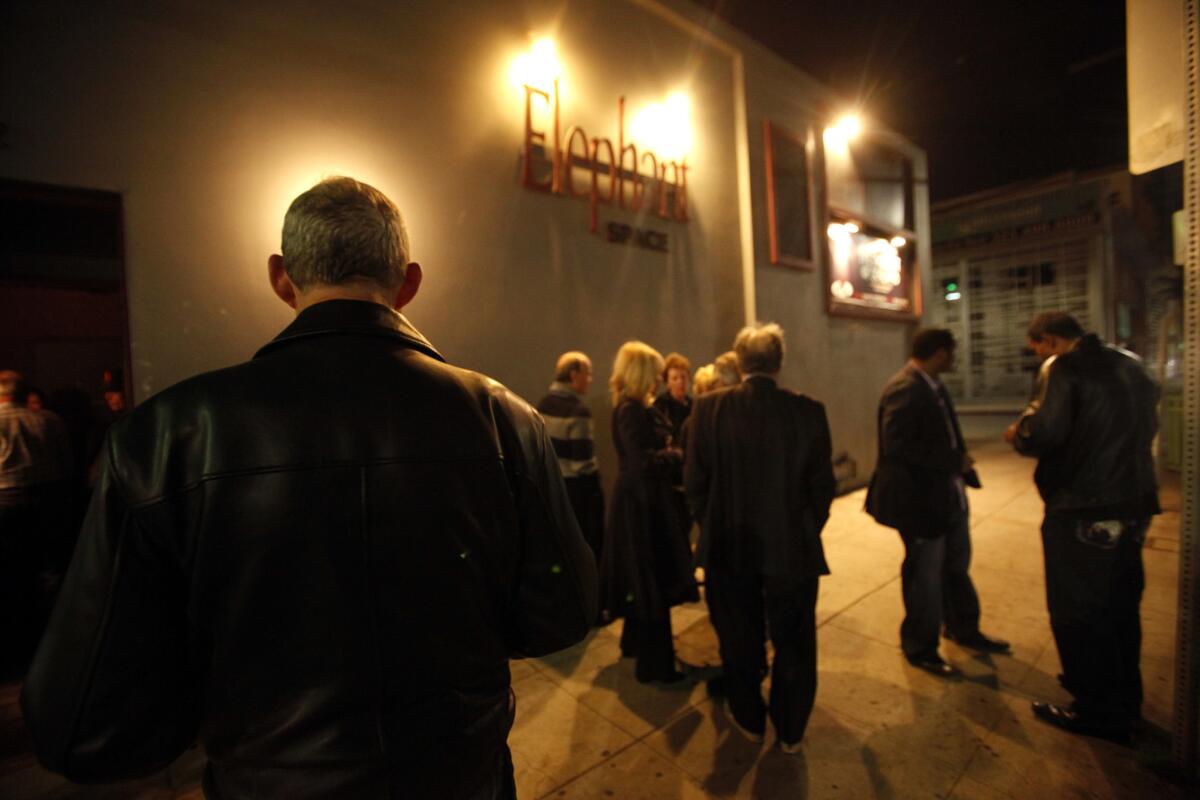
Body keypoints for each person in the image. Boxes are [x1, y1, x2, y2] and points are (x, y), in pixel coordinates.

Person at [21, 176, 598, 799]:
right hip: (462, 776)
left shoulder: (164, 434)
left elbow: (78, 724)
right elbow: (560, 616)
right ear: (407, 283)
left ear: (280, 277)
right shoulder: (504, 418)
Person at [1007, 312, 1159, 745]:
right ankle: (1124, 698)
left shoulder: (1063, 367)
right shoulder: (1131, 363)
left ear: (1050, 340)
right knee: (1120, 604)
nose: (1036, 355)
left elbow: (1044, 431)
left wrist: (1020, 433)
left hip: (1083, 504)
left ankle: (1096, 709)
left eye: (1036, 346)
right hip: (1133, 501)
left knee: (1078, 610)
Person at [685, 323, 834, 752]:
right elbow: (821, 487)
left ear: (739, 360)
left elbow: (695, 484)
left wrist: (710, 524)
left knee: (737, 636)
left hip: (729, 547)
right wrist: (805, 528)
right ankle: (790, 728)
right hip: (792, 549)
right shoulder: (808, 410)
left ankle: (748, 715)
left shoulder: (708, 409)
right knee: (795, 641)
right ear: (779, 362)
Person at [865, 328, 1009, 678]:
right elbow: (898, 445)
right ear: (941, 353)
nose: (955, 359)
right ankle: (920, 647)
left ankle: (963, 629)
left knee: (956, 566)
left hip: (948, 497)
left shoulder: (932, 384)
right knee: (924, 578)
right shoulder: (905, 388)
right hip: (920, 503)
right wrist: (951, 460)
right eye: (952, 353)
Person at [602, 341, 698, 684]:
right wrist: (673, 454)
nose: (659, 379)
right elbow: (641, 461)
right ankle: (656, 666)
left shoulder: (633, 407)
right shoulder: (632, 410)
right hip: (643, 505)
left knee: (642, 579)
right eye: (655, 372)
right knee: (650, 580)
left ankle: (634, 645)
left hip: (642, 501)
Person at [0, 371, 72, 676]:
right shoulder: (49, 420)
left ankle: (16, 645)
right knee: (46, 567)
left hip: (4, 500)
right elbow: (67, 462)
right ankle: (54, 640)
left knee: (9, 572)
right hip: (48, 499)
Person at [537, 351, 605, 569]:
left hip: (553, 487)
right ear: (574, 375)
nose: (590, 379)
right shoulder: (578, 411)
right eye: (588, 373)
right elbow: (582, 463)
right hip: (578, 492)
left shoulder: (543, 405)